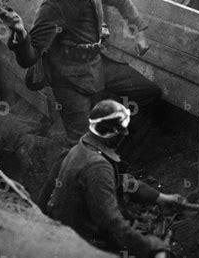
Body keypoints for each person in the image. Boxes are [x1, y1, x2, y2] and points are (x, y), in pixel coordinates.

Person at [6, 0, 161, 151]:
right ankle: (87, 171)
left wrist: (140, 32)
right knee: (80, 143)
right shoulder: (54, 5)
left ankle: (121, 153)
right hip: (68, 78)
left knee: (148, 92)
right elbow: (29, 57)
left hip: (96, 64)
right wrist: (20, 34)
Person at [47, 99, 182, 257]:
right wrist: (151, 246)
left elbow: (120, 181)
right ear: (111, 131)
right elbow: (111, 223)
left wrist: (159, 197)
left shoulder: (81, 149)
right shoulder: (97, 167)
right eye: (122, 130)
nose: (125, 134)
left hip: (67, 232)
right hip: (82, 245)